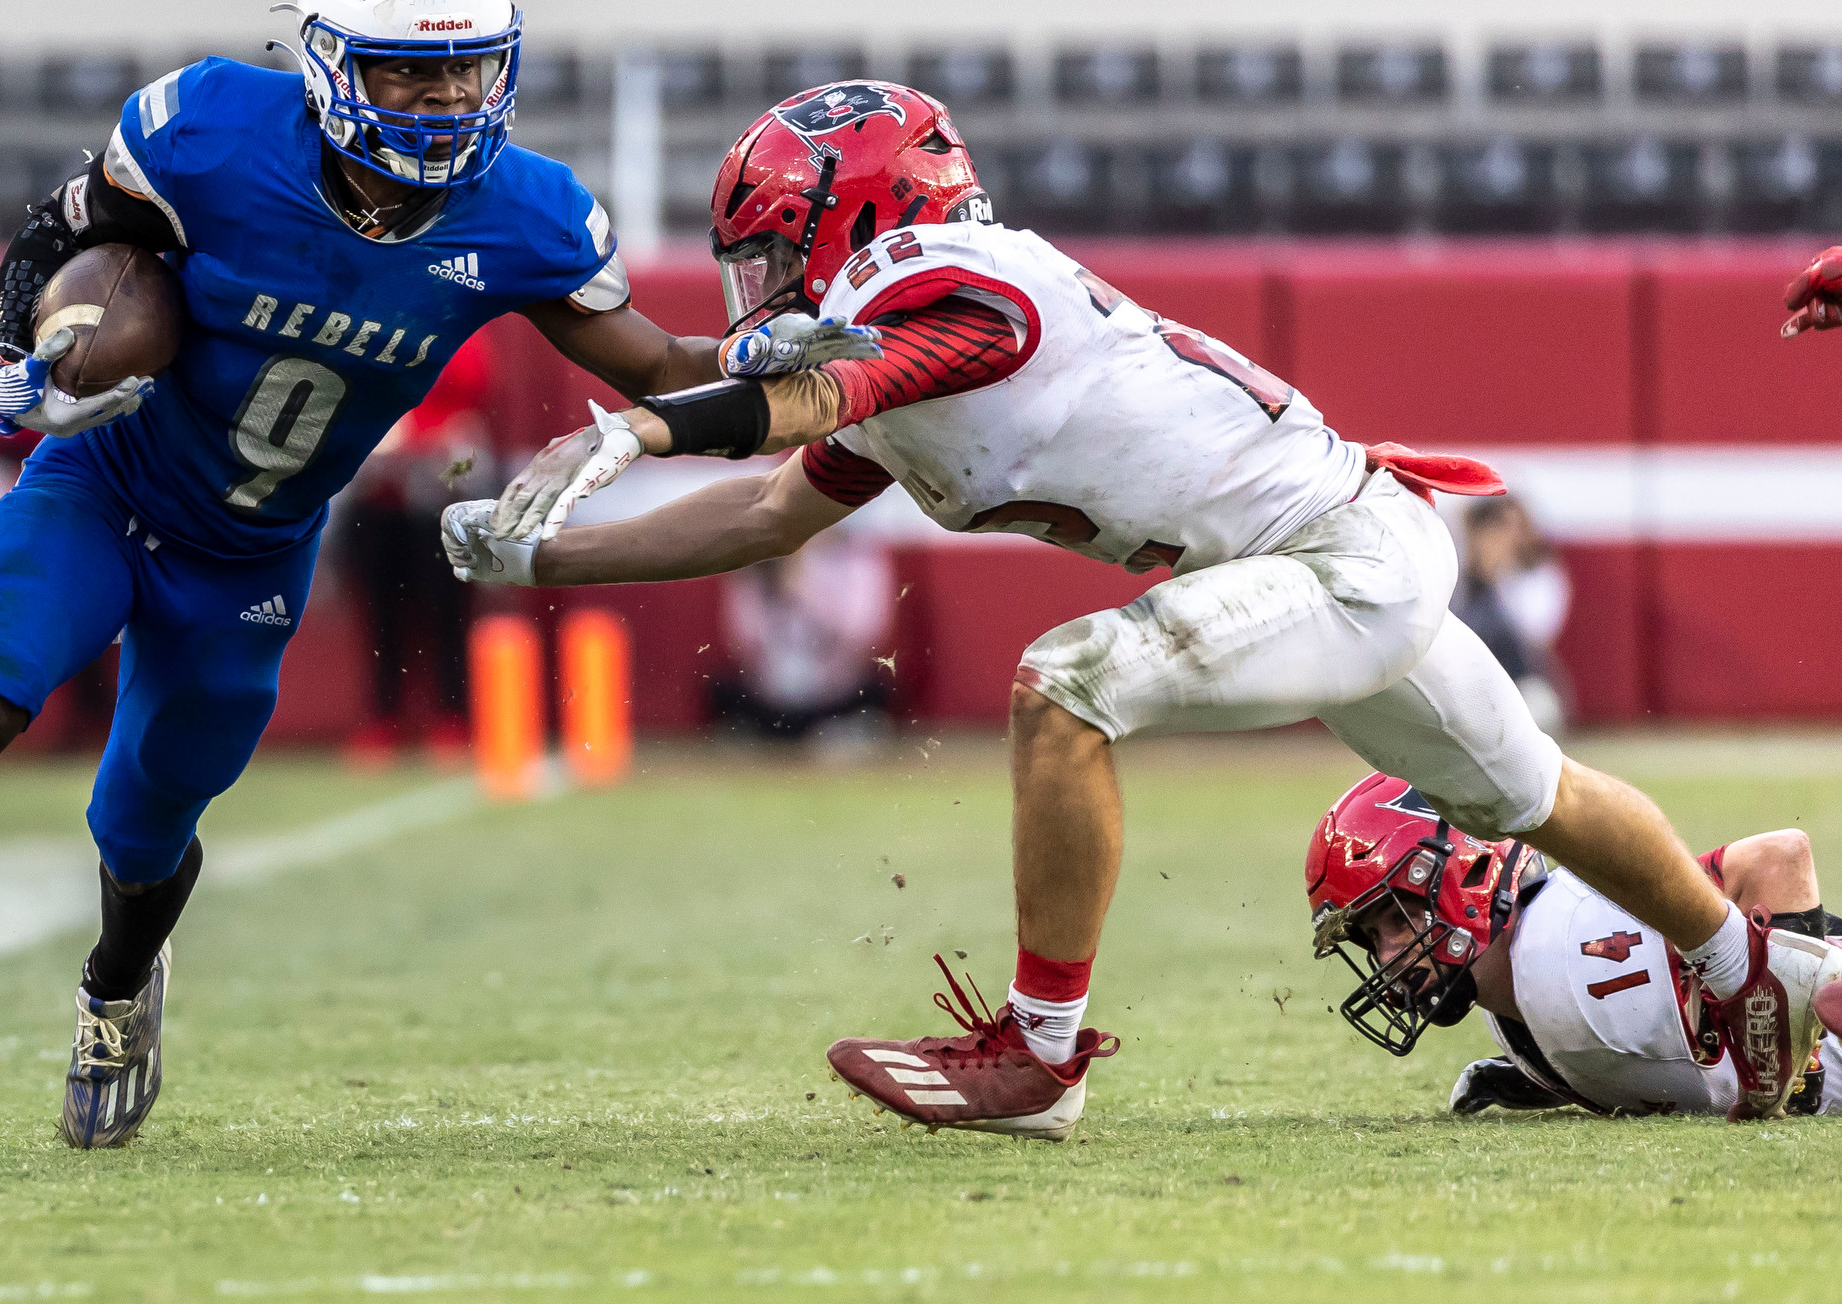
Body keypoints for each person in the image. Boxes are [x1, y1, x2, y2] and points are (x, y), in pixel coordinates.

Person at [444, 78, 1842, 1140]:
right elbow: (768, 512)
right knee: (1526, 793)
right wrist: (544, 562)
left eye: (774, 246)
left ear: (859, 223)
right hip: (1330, 551)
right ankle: (1741, 967)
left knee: (1065, 683)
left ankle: (1040, 1054)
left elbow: (811, 397)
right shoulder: (920, 345)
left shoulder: (959, 297)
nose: (759, 283)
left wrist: (635, 436)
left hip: (1331, 558)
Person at [0, 0, 874, 1148]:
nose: (445, 99)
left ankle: (114, 986)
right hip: (105, 484)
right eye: (410, 70)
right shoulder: (209, 131)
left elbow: (661, 363)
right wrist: (10, 358)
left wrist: (788, 361)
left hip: (252, 549)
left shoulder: (522, 216)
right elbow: (65, 228)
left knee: (145, 827)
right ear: (325, 64)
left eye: (468, 66)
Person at [1309, 771, 1842, 1118]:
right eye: (1370, 938)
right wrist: (1555, 1077)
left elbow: (1779, 858)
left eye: (1395, 919)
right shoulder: (1513, 1003)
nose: (1385, 957)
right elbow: (1650, 1025)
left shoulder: (1568, 934)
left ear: (1462, 873)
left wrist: (1797, 1065)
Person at [334, 332, 495, 764]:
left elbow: (472, 388)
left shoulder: (464, 320)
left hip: (440, 485)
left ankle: (452, 717)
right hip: (377, 488)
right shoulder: (367, 315)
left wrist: (427, 443)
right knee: (381, 613)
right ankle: (381, 719)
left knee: (447, 610)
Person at [713, 530, 893, 745]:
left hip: (836, 681)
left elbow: (862, 635)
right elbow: (744, 641)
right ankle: (762, 729)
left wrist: (801, 593)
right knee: (721, 688)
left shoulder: (858, 557)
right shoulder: (758, 563)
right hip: (771, 684)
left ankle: (840, 727)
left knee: (878, 686)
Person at [1451, 496, 1570, 733]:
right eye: (1499, 528)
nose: (1508, 538)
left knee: (1538, 708)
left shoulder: (1534, 576)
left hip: (1519, 687)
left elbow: (1534, 637)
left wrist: (1495, 579)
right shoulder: (1457, 576)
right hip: (1465, 689)